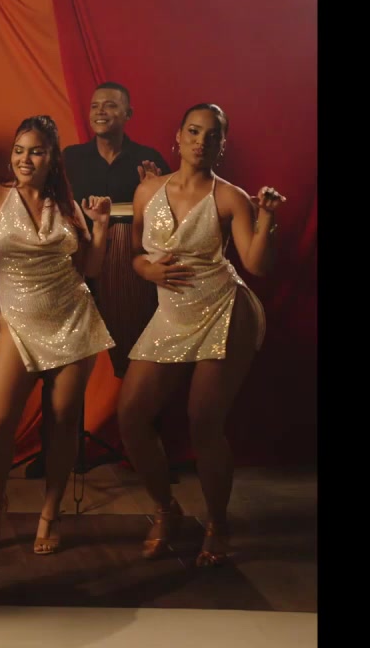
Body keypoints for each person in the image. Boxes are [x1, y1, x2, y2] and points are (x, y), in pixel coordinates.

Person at [0, 115, 116, 555]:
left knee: (64, 422)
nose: (24, 159)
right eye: (19, 150)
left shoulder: (67, 207)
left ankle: (50, 512)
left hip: (73, 320)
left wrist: (102, 227)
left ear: (52, 159)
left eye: (35, 151)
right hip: (17, 323)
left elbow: (90, 269)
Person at [115, 103, 285, 568]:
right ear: (178, 136)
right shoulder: (147, 190)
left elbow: (256, 264)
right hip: (172, 315)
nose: (201, 141)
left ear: (222, 146)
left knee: (203, 422)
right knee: (131, 416)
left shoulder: (231, 197)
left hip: (223, 310)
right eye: (193, 131)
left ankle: (218, 524)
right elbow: (135, 253)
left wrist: (267, 219)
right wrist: (147, 270)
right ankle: (165, 510)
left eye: (212, 136)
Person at [25, 81, 169, 479]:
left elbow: (168, 220)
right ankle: (55, 452)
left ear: (128, 114)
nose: (100, 111)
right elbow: (47, 202)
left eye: (111, 105)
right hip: (77, 260)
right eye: (95, 106)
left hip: (129, 265)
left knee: (141, 354)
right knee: (61, 356)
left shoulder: (149, 159)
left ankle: (145, 454)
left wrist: (155, 188)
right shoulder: (70, 158)